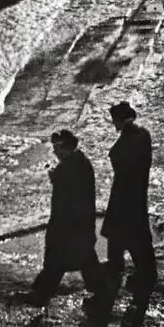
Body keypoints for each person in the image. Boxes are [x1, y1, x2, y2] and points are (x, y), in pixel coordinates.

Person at [28, 130, 105, 309]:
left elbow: (68, 197)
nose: (55, 151)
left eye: (57, 147)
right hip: (80, 224)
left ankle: (40, 295)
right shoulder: (80, 162)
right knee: (85, 261)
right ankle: (101, 295)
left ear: (66, 147)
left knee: (58, 261)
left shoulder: (68, 168)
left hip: (68, 225)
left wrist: (56, 178)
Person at [101, 101, 157, 303]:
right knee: (136, 236)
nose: (113, 123)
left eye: (114, 120)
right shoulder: (142, 135)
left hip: (124, 195)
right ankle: (142, 273)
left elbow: (119, 160)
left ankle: (116, 280)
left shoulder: (128, 140)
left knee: (122, 237)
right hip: (136, 193)